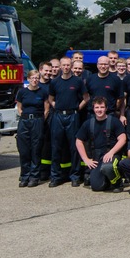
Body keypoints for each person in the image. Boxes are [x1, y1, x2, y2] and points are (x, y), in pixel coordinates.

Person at [48, 57, 87, 187]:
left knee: (74, 147)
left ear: (71, 66)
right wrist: (58, 107)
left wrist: (76, 109)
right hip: (58, 116)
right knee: (56, 146)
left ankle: (75, 176)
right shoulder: (54, 82)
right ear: (60, 66)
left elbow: (86, 98)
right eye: (63, 65)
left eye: (68, 65)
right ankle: (55, 176)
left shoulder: (77, 81)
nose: (65, 67)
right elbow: (51, 99)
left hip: (73, 116)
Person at [75, 97, 127, 192]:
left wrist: (112, 152)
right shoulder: (88, 124)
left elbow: (123, 139)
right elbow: (78, 141)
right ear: (93, 109)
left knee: (108, 167)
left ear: (106, 108)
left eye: (102, 107)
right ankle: (107, 180)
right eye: (97, 107)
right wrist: (85, 159)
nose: (99, 110)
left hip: (112, 155)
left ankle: (118, 183)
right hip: (97, 157)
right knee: (96, 187)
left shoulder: (114, 121)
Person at [15, 69, 48, 187]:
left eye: (37, 78)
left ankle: (34, 176)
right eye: (33, 78)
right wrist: (24, 116)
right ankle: (24, 176)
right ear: (28, 79)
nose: (35, 80)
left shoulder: (43, 92)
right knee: (24, 150)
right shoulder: (22, 92)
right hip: (24, 121)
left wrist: (39, 120)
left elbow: (46, 109)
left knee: (36, 149)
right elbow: (19, 107)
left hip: (37, 121)